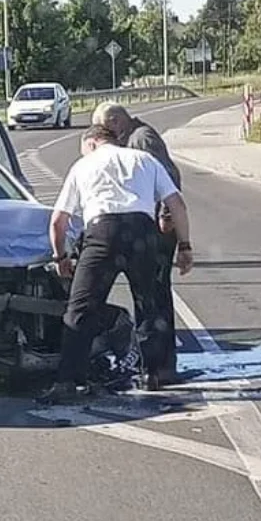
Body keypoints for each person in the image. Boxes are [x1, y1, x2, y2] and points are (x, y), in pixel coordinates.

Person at [40, 125, 194, 404]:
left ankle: (67, 381)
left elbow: (58, 221)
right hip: (143, 233)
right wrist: (184, 246)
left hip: (103, 234)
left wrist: (61, 258)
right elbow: (177, 204)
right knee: (151, 304)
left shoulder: (83, 165)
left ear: (93, 143)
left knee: (80, 309)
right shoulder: (145, 160)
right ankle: (154, 374)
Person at [92, 101, 183, 386]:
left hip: (156, 228)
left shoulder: (141, 139)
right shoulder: (133, 138)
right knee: (151, 294)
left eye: (107, 130)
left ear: (117, 122)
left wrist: (166, 215)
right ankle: (158, 364)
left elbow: (168, 176)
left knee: (155, 295)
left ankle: (162, 365)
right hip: (148, 227)